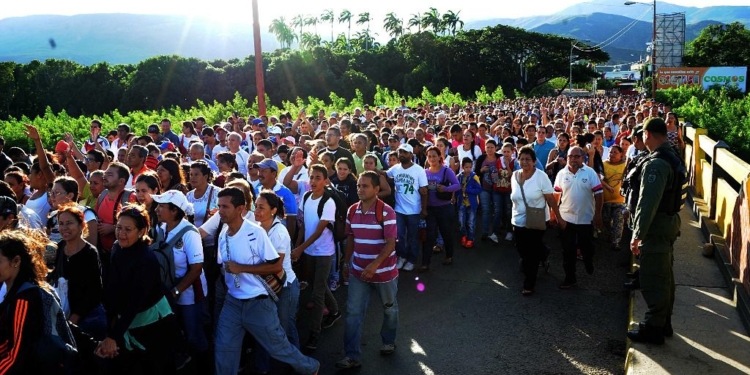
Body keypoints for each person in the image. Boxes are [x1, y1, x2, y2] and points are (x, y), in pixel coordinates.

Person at [214, 187, 319, 375]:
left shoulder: (256, 233)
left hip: (259, 303)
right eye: (219, 206)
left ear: (239, 209)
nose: (220, 211)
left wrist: (242, 268)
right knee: (224, 349)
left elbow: (276, 267)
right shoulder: (223, 234)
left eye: (225, 206)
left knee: (278, 346)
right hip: (233, 303)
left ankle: (310, 367)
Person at [98, 204, 179, 374]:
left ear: (142, 231)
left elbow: (135, 301)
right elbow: (113, 291)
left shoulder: (146, 259)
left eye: (128, 229)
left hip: (154, 326)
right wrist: (110, 332)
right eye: (119, 227)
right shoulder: (116, 248)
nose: (121, 234)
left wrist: (113, 336)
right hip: (126, 322)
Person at [627, 117, 683, 345]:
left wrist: (637, 234)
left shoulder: (656, 163)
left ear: (648, 134)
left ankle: (653, 327)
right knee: (665, 275)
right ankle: (663, 321)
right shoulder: (671, 154)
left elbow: (647, 202)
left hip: (656, 227)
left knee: (654, 278)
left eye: (642, 135)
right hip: (667, 223)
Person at [336, 171, 399, 369]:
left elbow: (390, 244)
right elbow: (351, 238)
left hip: (385, 273)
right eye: (358, 186)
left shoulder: (386, 211)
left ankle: (388, 341)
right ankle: (352, 355)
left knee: (390, 310)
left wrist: (374, 265)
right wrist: (346, 263)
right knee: (353, 313)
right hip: (358, 272)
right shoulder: (352, 211)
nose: (360, 190)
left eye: (365, 186)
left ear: (376, 189)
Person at [152, 190, 209, 369]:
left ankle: (203, 365)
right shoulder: (160, 228)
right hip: (168, 292)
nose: (157, 209)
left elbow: (196, 268)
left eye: (162, 206)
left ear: (174, 211)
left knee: (194, 334)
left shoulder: (189, 233)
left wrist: (177, 291)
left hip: (189, 294)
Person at [292, 164, 342, 351]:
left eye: (318, 178)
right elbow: (304, 226)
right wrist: (298, 246)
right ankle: (335, 311)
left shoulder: (328, 202)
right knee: (316, 283)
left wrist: (300, 249)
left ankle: (314, 333)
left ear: (325, 181)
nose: (313, 181)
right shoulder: (305, 197)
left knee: (317, 293)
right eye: (311, 177)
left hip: (324, 252)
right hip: (308, 251)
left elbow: (319, 231)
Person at [251, 190, 301, 374]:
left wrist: (243, 268)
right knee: (266, 329)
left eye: (261, 207)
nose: (256, 211)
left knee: (285, 328)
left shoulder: (279, 231)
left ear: (273, 210)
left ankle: (299, 365)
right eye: (255, 206)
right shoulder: (256, 227)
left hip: (285, 287)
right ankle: (264, 368)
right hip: (266, 286)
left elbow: (276, 266)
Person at [511, 146, 565, 296]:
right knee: (521, 249)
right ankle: (544, 251)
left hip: (537, 219)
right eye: (522, 159)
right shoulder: (514, 176)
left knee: (531, 254)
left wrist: (558, 217)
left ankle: (529, 284)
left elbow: (550, 199)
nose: (525, 162)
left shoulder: (541, 177)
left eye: (528, 159)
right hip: (518, 220)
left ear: (534, 161)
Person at [52, 204, 106, 340]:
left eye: (69, 223)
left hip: (87, 317)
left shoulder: (90, 253)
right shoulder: (60, 247)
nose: (64, 228)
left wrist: (76, 316)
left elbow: (95, 290)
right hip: (65, 313)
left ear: (81, 225)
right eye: (61, 223)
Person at [554, 146, 603, 289]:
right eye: (570, 156)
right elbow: (556, 195)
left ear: (583, 158)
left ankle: (588, 260)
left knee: (587, 247)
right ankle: (570, 278)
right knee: (567, 251)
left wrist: (598, 214)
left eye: (576, 156)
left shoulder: (590, 172)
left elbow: (599, 194)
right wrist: (554, 215)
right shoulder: (561, 174)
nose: (573, 159)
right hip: (566, 218)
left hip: (585, 218)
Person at [421, 146, 459, 271]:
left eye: (434, 156)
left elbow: (457, 185)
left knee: (446, 233)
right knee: (429, 236)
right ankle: (425, 263)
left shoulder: (446, 171)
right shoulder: (424, 172)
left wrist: (445, 189)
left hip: (444, 207)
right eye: (429, 156)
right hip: (430, 209)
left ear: (439, 157)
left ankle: (449, 256)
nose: (432, 158)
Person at [474, 139, 502, 243]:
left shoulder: (500, 158)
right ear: (485, 148)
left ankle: (494, 231)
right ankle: (485, 232)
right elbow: (475, 173)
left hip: (497, 188)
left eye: (492, 147)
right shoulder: (481, 158)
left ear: (496, 148)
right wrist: (481, 171)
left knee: (497, 210)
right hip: (484, 188)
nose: (490, 149)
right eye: (488, 147)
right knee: (486, 210)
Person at [601, 145, 627, 251]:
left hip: (620, 200)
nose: (612, 154)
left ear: (621, 154)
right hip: (606, 200)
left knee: (618, 220)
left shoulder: (625, 166)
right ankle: (611, 233)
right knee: (605, 220)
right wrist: (607, 186)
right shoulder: (604, 165)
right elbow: (598, 178)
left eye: (615, 152)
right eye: (611, 152)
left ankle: (616, 242)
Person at [456, 157, 482, 249]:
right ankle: (464, 235)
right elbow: (455, 189)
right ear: (463, 167)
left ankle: (471, 238)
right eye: (466, 167)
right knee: (461, 221)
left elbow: (479, 189)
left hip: (471, 203)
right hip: (462, 202)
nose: (468, 169)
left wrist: (467, 190)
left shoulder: (474, 177)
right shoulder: (459, 177)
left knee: (471, 222)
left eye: (470, 167)